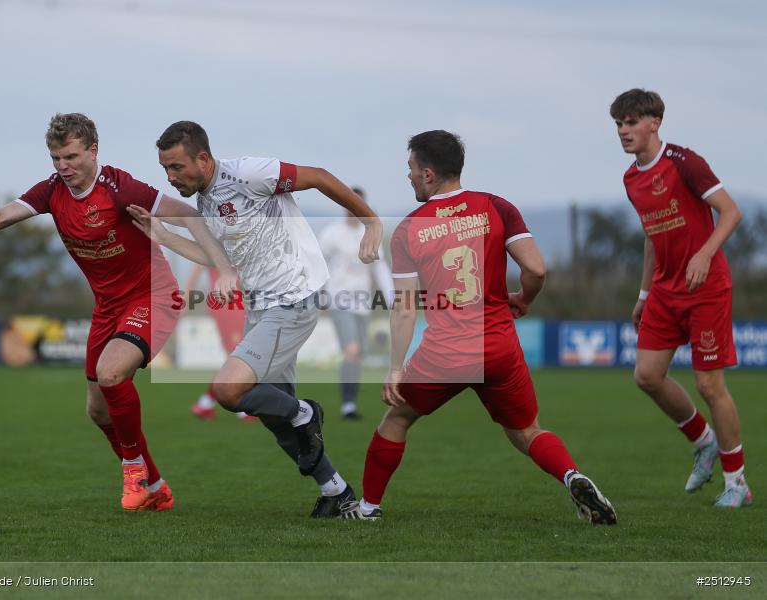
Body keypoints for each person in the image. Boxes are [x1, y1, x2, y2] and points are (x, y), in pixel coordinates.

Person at [0, 113, 233, 512]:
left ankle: (134, 471)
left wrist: (222, 268)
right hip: (108, 308)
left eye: (70, 157)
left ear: (93, 151)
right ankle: (155, 485)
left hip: (153, 296)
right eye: (56, 158)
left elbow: (189, 215)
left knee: (110, 373)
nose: (62, 166)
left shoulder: (120, 188)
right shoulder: (51, 191)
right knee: (97, 409)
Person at [339, 130, 617, 525]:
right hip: (499, 347)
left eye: (411, 168)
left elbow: (404, 308)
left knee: (397, 419)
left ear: (428, 174)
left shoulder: (408, 229)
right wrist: (524, 298)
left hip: (446, 353)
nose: (409, 175)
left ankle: (368, 509)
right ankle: (571, 475)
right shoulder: (496, 207)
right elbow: (537, 268)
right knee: (527, 431)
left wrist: (396, 367)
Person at [129, 120, 383, 517]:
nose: (170, 177)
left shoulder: (250, 173)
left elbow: (319, 177)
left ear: (203, 158)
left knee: (228, 390)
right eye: (165, 168)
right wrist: (162, 236)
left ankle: (305, 413)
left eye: (177, 167)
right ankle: (336, 491)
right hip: (260, 307)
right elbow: (218, 257)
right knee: (271, 414)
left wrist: (370, 221)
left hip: (294, 298)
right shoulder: (207, 202)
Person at [611, 89, 750, 508]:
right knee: (647, 376)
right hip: (664, 290)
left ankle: (737, 483)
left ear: (655, 123)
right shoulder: (631, 179)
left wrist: (705, 254)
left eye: (631, 122)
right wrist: (643, 294)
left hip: (705, 289)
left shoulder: (684, 162)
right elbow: (651, 237)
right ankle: (704, 441)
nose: (623, 130)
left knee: (709, 385)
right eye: (618, 124)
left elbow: (731, 211)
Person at [318, 188, 394, 420]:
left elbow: (379, 268)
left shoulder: (370, 233)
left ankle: (349, 401)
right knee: (351, 350)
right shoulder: (331, 233)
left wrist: (392, 298)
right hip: (338, 300)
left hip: (362, 303)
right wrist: (319, 297)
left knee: (357, 353)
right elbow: (318, 265)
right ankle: (348, 406)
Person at [185, 264, 254, 422]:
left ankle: (206, 404)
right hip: (226, 304)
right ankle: (237, 408)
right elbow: (197, 268)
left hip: (240, 303)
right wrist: (185, 299)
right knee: (238, 357)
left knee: (238, 358)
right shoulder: (212, 248)